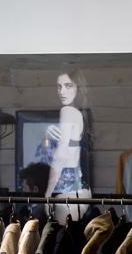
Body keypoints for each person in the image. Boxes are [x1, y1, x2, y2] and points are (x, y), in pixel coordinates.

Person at [35, 70, 92, 219]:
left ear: (77, 89)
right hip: (81, 188)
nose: (62, 91)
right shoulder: (79, 114)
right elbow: (71, 149)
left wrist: (47, 193)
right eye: (59, 86)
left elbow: (61, 155)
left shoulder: (67, 111)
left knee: (60, 238)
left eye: (68, 86)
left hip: (66, 189)